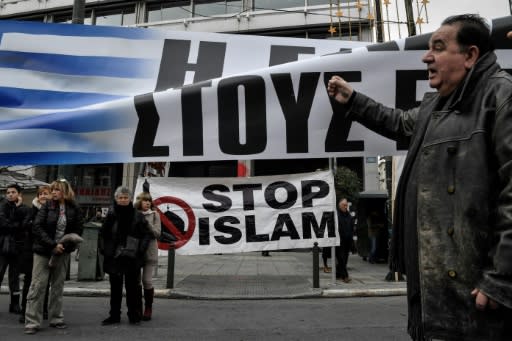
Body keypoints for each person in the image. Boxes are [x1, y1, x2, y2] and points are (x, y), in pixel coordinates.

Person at [327, 14, 512, 340]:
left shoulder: (500, 97)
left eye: (438, 48)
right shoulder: (434, 106)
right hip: (433, 290)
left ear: (470, 56)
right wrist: (353, 100)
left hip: (477, 300)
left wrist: (500, 279)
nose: (427, 57)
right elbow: (396, 122)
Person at [24, 180, 82, 334]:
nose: (54, 192)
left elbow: (77, 231)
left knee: (57, 287)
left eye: (57, 190)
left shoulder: (74, 208)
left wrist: (64, 247)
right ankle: (32, 322)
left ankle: (56, 318)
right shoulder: (47, 206)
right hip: (43, 251)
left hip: (63, 252)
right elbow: (37, 227)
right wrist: (52, 245)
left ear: (65, 191)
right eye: (53, 190)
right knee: (38, 286)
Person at [100, 186, 151, 326]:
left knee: (132, 288)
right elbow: (103, 234)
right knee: (115, 289)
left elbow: (147, 234)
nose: (123, 200)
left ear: (130, 199)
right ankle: (114, 315)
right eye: (120, 198)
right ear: (116, 199)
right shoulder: (110, 214)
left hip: (132, 257)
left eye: (125, 197)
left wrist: (140, 250)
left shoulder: (138, 215)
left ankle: (133, 316)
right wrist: (105, 250)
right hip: (114, 256)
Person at [19, 185, 51, 324]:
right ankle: (25, 310)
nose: (43, 196)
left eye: (46, 193)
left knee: (45, 282)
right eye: (41, 194)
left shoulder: (53, 210)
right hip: (30, 251)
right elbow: (25, 225)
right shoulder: (32, 210)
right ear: (37, 197)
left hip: (47, 251)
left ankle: (42, 309)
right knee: (29, 282)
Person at [0, 184, 30, 315]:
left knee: (15, 277)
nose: (10, 194)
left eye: (13, 192)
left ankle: (15, 304)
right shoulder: (2, 207)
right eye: (8, 192)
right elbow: (4, 225)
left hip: (18, 247)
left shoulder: (25, 209)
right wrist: (16, 224)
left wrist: (17, 213)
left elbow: (24, 226)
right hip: (2, 246)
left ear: (19, 194)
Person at [134, 192, 161, 321]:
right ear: (140, 201)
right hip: (136, 252)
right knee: (136, 282)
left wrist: (146, 222)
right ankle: (138, 307)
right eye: (145, 201)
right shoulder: (134, 214)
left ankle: (148, 308)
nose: (147, 203)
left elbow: (157, 233)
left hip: (150, 252)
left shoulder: (155, 215)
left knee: (147, 281)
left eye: (149, 201)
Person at [335, 198, 354, 283]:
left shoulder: (348, 215)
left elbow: (351, 227)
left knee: (345, 259)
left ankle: (338, 274)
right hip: (339, 241)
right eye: (344, 205)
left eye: (346, 205)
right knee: (341, 258)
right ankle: (345, 276)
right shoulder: (336, 214)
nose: (345, 207)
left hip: (347, 241)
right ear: (340, 205)